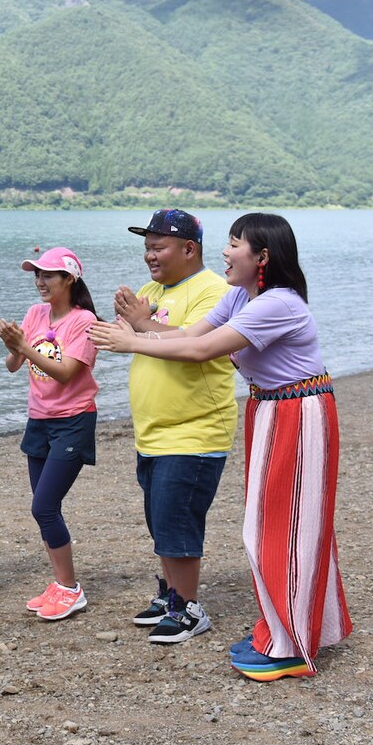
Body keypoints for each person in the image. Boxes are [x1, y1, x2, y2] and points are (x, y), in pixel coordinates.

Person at [90, 213, 351, 680]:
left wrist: (132, 340)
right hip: (270, 409)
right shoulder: (240, 296)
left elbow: (197, 353)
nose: (226, 252)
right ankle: (299, 629)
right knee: (271, 527)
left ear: (263, 256)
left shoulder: (278, 304)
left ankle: (290, 646)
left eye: (235, 244)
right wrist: (143, 327)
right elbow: (189, 336)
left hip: (298, 411)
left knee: (285, 528)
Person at [110, 209, 238, 644]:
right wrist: (119, 328)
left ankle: (190, 608)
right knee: (159, 517)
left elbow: (195, 342)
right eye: (146, 246)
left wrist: (140, 327)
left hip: (195, 429)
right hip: (153, 431)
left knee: (176, 518)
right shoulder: (150, 291)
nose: (149, 254)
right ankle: (170, 594)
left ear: (189, 249)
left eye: (158, 246)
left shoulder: (214, 290)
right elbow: (133, 339)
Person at [0, 248, 99, 622]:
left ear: (69, 279)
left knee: (43, 506)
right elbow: (12, 366)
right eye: (36, 275)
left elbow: (66, 372)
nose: (40, 282)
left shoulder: (83, 321)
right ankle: (60, 583)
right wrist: (13, 347)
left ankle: (71, 589)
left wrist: (23, 346)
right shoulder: (35, 313)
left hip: (73, 421)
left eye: (48, 275)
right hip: (39, 420)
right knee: (44, 509)